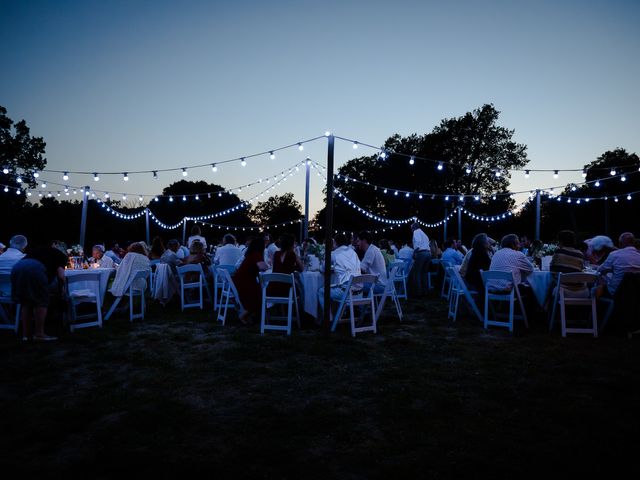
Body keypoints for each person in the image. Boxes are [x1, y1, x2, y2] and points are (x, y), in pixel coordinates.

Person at [11, 246, 67, 341]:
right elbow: (61, 275)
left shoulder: (41, 250)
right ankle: (39, 334)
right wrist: (63, 289)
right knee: (41, 301)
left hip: (18, 267)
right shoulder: (61, 256)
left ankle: (26, 335)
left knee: (26, 302)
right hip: (35, 268)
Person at [318, 233, 361, 314]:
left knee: (321, 291)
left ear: (335, 242)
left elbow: (322, 269)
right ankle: (340, 313)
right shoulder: (353, 252)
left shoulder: (334, 254)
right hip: (359, 292)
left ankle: (329, 319)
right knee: (337, 285)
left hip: (347, 293)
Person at [234, 237, 269, 324]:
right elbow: (263, 267)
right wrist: (267, 266)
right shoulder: (256, 254)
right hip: (245, 281)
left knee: (259, 292)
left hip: (242, 279)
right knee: (260, 296)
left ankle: (251, 316)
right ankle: (243, 316)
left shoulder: (251, 253)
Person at [597, 232, 640, 297]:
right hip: (636, 293)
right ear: (633, 243)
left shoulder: (614, 254)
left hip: (616, 292)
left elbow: (600, 270)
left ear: (620, 244)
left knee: (595, 288)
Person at [410, 222, 431, 296]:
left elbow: (418, 243)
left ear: (414, 228)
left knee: (417, 273)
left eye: (411, 228)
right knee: (424, 273)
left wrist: (414, 252)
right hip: (428, 253)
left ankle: (418, 293)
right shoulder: (424, 234)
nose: (411, 230)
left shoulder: (416, 232)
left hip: (421, 253)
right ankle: (425, 292)